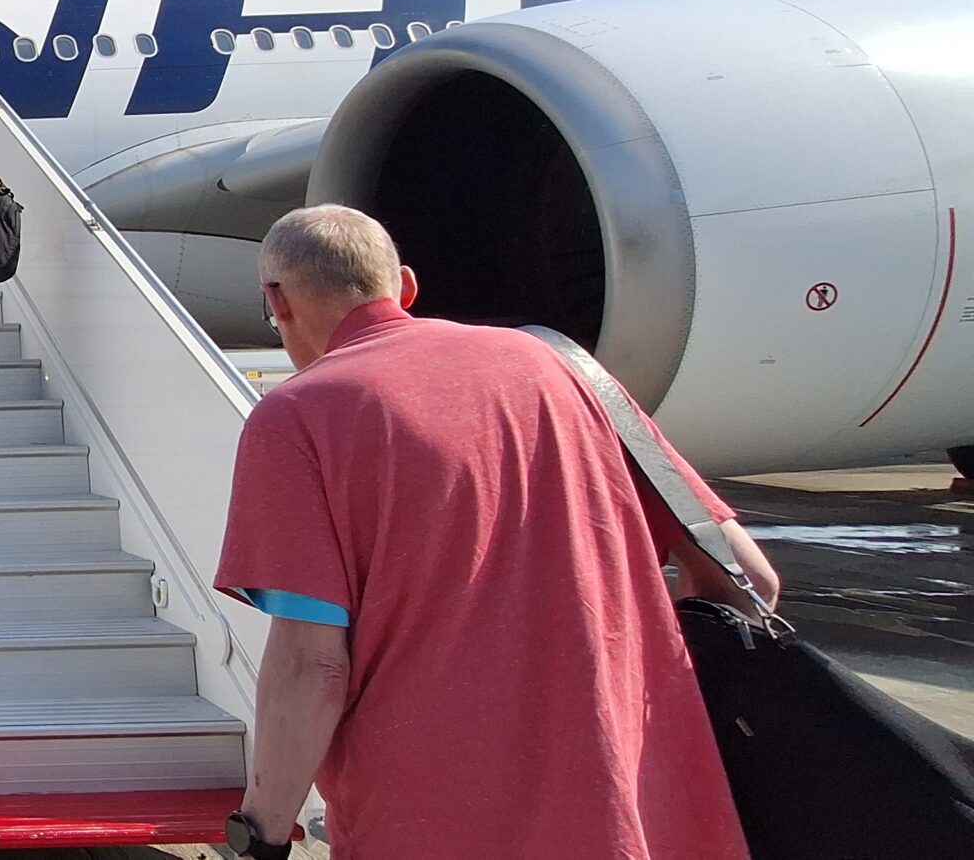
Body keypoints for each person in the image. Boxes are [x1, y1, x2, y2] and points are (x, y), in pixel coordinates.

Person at [212, 204, 779, 859]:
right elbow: (749, 580)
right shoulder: (564, 372)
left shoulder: (299, 417)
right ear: (406, 286)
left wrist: (261, 833)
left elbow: (312, 665)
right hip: (634, 803)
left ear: (276, 302)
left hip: (432, 820)